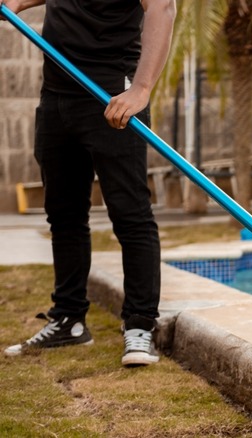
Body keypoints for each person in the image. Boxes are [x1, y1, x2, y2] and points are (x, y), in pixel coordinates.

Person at [2, 0, 176, 367]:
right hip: (57, 94)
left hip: (113, 96)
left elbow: (162, 6)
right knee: (63, 215)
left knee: (130, 215)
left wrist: (141, 90)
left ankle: (140, 325)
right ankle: (69, 320)